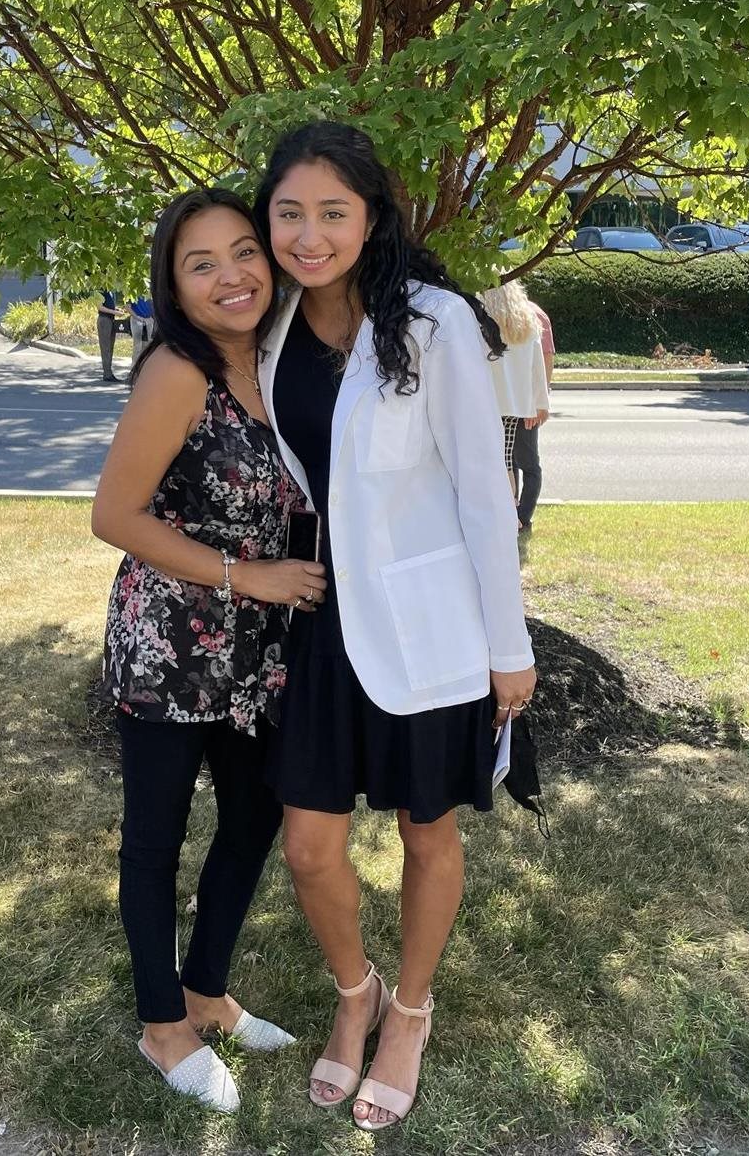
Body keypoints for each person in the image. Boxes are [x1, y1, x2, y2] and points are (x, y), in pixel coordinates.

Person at [253, 121, 537, 1131]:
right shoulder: (273, 320)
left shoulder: (431, 319)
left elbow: (481, 492)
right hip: (323, 618)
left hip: (429, 620)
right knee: (310, 848)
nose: (311, 233)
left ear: (372, 217)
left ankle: (409, 1012)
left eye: (334, 211)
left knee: (428, 829)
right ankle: (355, 990)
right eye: (292, 212)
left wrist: (510, 647)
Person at [91, 189, 327, 1112]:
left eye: (243, 252)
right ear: (176, 286)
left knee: (253, 819)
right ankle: (162, 1026)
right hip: (172, 643)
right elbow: (114, 515)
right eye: (202, 264)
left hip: (256, 652)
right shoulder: (176, 372)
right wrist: (249, 574)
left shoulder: (275, 364)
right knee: (154, 839)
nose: (232, 275)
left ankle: (207, 991)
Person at [482, 279, 550, 523]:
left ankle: (503, 516)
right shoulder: (526, 321)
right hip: (512, 405)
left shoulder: (481, 321)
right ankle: (510, 515)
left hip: (485, 403)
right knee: (505, 461)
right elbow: (537, 366)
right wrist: (541, 402)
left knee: (490, 462)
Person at [512, 295, 555, 533]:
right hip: (513, 401)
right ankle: (515, 514)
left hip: (525, 402)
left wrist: (540, 402)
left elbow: (545, 359)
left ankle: (523, 516)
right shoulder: (501, 312)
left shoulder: (534, 315)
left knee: (526, 463)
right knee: (511, 461)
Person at [96, 289, 131, 383]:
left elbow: (109, 306)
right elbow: (100, 307)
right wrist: (114, 312)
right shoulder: (100, 290)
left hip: (111, 320)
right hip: (104, 320)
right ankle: (107, 374)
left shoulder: (111, 292)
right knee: (105, 347)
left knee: (110, 346)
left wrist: (116, 310)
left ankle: (108, 372)